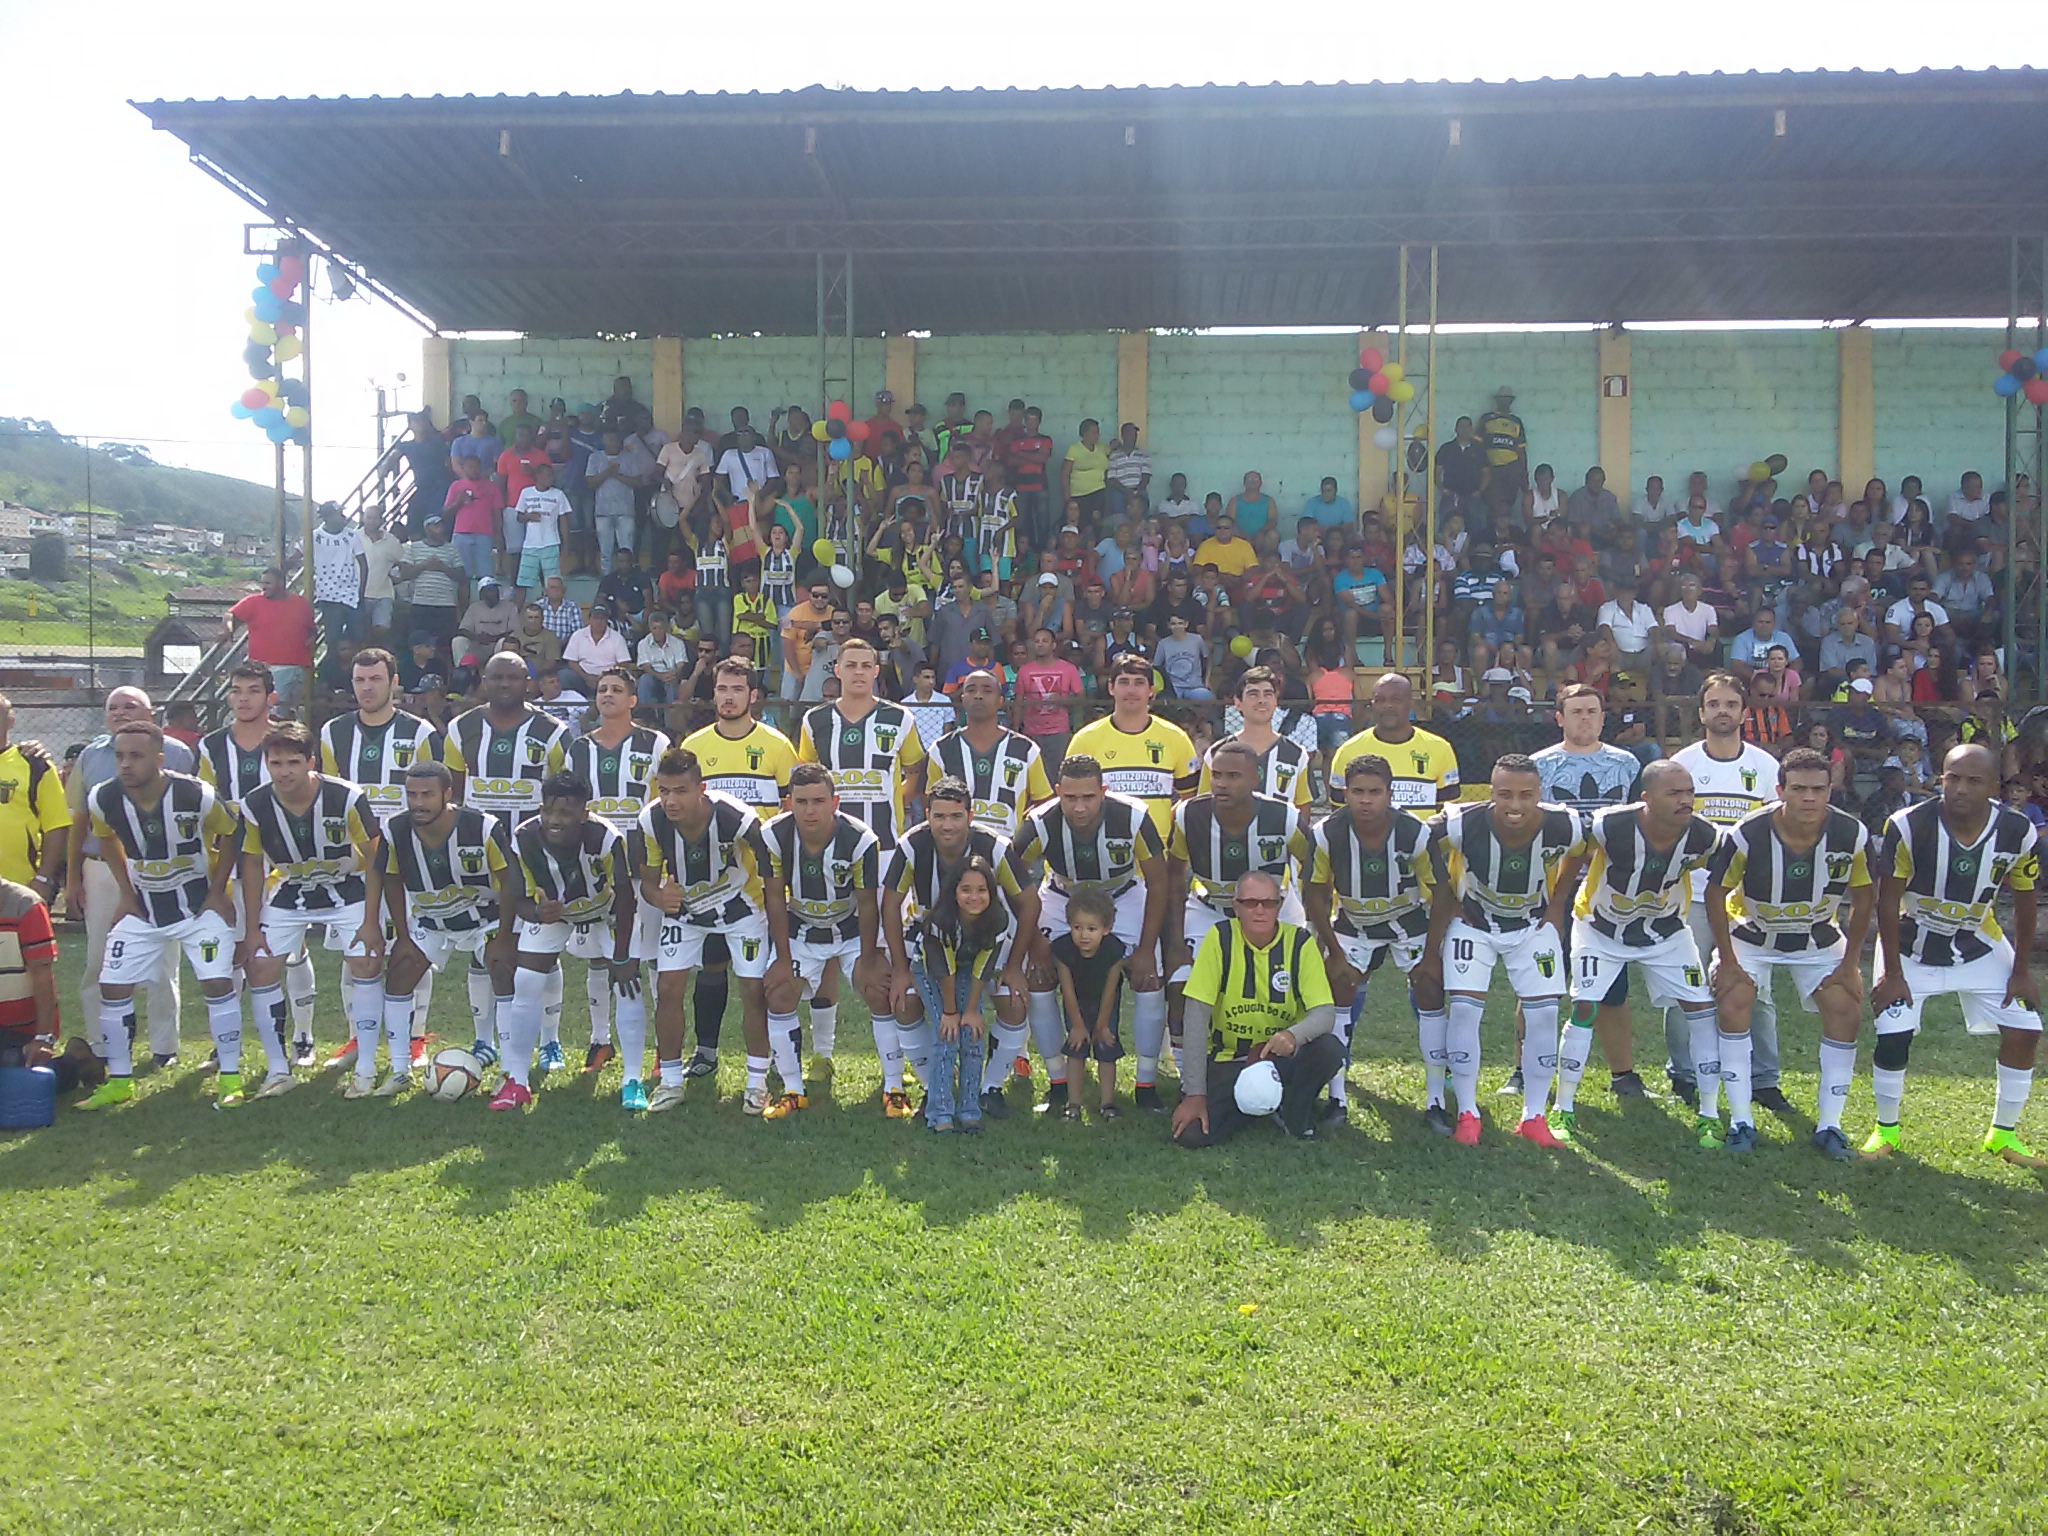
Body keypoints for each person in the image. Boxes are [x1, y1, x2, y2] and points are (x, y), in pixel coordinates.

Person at [1868, 742, 2045, 1166]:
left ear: (1993, 787)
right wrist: (1892, 972)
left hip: (1978, 941)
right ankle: (1885, 1130)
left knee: (2025, 1027)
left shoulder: (2017, 830)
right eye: (1953, 778)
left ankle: (2003, 1136)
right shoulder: (1908, 825)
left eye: (1973, 780)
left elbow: (2024, 899)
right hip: (1913, 943)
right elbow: (1887, 901)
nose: (1960, 788)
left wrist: (2020, 969)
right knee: (1894, 1033)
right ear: (1941, 778)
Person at [1702, 748, 1874, 1160]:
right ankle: (1742, 1121)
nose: (1809, 798)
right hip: (1753, 934)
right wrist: (1726, 959)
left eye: (1818, 789)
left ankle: (1830, 1126)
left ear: (1831, 790)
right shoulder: (1748, 832)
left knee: (1845, 1007)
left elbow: (1866, 899)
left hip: (1817, 938)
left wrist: (1851, 965)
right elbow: (1715, 893)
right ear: (1780, 791)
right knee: (1734, 1000)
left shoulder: (1851, 834)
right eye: (1798, 789)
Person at [75, 722, 247, 1111]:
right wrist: (126, 893)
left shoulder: (195, 793)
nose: (125, 765)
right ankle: (120, 1080)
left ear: (158, 758)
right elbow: (105, 838)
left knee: (218, 983)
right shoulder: (104, 798)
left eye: (136, 756)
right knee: (112, 986)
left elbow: (233, 832)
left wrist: (218, 891)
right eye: (120, 756)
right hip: (146, 909)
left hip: (198, 907)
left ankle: (231, 1078)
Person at [1551, 762, 1725, 1147]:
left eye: (1688, 792)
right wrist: (1556, 907)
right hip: (1600, 928)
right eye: (1673, 793)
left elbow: (1716, 873)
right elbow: (1576, 856)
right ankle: (1562, 1108)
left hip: (1666, 931)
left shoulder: (1704, 836)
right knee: (1584, 1007)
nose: (1685, 800)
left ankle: (1710, 1114)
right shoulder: (1608, 825)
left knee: (1700, 1008)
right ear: (1645, 799)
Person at [1419, 756, 1585, 1145]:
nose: (1515, 805)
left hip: (1533, 925)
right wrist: (1446, 893)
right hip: (1474, 924)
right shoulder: (1462, 822)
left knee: (1544, 1015)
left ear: (1539, 795)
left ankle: (1534, 1116)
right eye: (1505, 794)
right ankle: (1467, 1112)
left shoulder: (1564, 823)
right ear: (1491, 793)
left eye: (1526, 795)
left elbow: (1580, 848)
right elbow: (1420, 841)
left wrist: (1559, 903)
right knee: (1462, 1010)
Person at [1009, 754, 1169, 1118]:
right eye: (1070, 798)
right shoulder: (1039, 823)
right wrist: (1036, 944)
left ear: (1104, 791)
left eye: (1088, 797)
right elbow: (1011, 878)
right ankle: (1058, 1084)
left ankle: (1146, 1085)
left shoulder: (1133, 816)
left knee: (1149, 978)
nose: (1079, 807)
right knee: (1039, 980)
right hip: (1063, 895)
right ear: (1057, 792)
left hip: (1122, 895)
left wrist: (1145, 949)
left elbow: (1158, 882)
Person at [235, 724, 388, 1097]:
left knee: (366, 961)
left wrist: (371, 921)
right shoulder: (254, 804)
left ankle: (366, 1067)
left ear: (311, 763)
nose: (284, 771)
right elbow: (252, 864)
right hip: (292, 890)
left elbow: (376, 859)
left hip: (345, 887)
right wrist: (253, 927)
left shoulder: (347, 797)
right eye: (275, 763)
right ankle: (277, 1069)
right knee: (260, 964)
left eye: (293, 762)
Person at [880, 777, 1038, 1119]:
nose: (947, 825)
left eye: (955, 816)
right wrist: (900, 968)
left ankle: (989, 1088)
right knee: (904, 1002)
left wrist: (1013, 966)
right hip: (931, 938)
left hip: (985, 937)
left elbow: (1029, 903)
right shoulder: (912, 845)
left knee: (1012, 1002)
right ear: (927, 814)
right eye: (939, 816)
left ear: (970, 814)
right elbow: (889, 904)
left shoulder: (994, 847)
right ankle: (932, 1087)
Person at [1668, 675, 1785, 1110]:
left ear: (1744, 712)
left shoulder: (1766, 766)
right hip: (1692, 894)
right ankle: (1683, 1072)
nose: (1722, 711)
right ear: (1700, 713)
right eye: (1713, 703)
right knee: (1687, 986)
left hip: (1748, 900)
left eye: (1731, 704)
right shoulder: (1682, 766)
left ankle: (1764, 1078)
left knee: (1759, 990)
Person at [677, 659, 798, 1080]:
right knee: (711, 969)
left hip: (763, 886)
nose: (728, 697)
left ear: (753, 695)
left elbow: (792, 812)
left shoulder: (778, 746)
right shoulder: (694, 746)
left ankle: (778, 1061)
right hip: (709, 883)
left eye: (736, 689)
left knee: (765, 977)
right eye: (721, 689)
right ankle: (706, 1051)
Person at [636, 746, 774, 1115]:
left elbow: (772, 867)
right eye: (664, 791)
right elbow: (648, 883)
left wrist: (777, 918)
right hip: (686, 910)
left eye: (680, 791)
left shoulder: (736, 817)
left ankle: (757, 1081)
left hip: (741, 907)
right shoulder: (650, 821)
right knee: (667, 988)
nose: (670, 800)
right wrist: (658, 896)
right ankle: (669, 1081)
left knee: (752, 988)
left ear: (702, 787)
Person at [489, 772, 637, 1111]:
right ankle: (517, 1081)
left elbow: (627, 896)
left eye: (566, 813)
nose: (555, 821)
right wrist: (538, 914)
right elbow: (515, 896)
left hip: (606, 911)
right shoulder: (523, 837)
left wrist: (623, 953)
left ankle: (632, 1080)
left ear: (584, 814)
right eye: (549, 812)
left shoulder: (605, 837)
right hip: (557, 913)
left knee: (629, 983)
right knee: (525, 980)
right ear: (541, 808)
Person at [1302, 754, 1438, 1122]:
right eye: (1357, 791)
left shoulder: (1415, 831)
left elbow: (1442, 891)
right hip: (1354, 923)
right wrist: (1333, 950)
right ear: (1344, 793)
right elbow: (1314, 892)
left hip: (1408, 921)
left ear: (1390, 793)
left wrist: (1431, 956)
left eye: (1374, 792)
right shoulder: (1327, 832)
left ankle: (1437, 1099)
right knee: (1338, 992)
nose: (1366, 800)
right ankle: (1336, 1098)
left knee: (1430, 989)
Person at [66, 688, 196, 1067]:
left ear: (151, 713)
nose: (120, 712)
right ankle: (103, 1044)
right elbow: (79, 821)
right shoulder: (90, 756)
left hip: (161, 868)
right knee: (98, 960)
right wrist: (72, 878)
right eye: (113, 708)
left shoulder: (177, 753)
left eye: (130, 706)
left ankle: (164, 1047)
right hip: (102, 869)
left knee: (161, 961)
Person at [1171, 870, 1343, 1146]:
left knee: (1329, 1049)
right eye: (1250, 903)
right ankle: (1256, 1106)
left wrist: (1293, 1036)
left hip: (1281, 1057)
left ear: (1280, 905)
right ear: (1236, 907)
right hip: (1231, 1059)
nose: (1260, 910)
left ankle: (1293, 1110)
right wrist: (1194, 1094)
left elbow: (1325, 1013)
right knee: (1191, 1135)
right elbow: (1196, 1016)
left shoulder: (1299, 943)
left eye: (1268, 903)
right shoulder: (1220, 938)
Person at [758, 764, 891, 1120]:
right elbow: (773, 897)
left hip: (848, 930)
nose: (810, 810)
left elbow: (866, 903)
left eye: (819, 801)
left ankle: (894, 1087)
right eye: (801, 801)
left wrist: (870, 958)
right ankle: (792, 1090)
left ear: (835, 801)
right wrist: (783, 959)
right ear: (788, 803)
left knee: (880, 990)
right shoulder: (772, 835)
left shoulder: (861, 839)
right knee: (780, 992)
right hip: (801, 929)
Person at [564, 669, 672, 1076]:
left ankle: (665, 1045)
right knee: (597, 957)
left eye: (617, 690)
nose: (608, 695)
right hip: (593, 868)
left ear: (632, 700)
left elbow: (667, 803)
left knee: (654, 956)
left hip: (644, 865)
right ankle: (600, 1040)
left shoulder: (655, 743)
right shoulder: (577, 749)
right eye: (602, 689)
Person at [380, 759, 516, 1074]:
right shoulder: (395, 829)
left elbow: (510, 882)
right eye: (411, 795)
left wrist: (506, 938)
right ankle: (399, 1070)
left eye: (427, 795)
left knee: (502, 967)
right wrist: (402, 936)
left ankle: (510, 1069)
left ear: (447, 794)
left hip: (487, 918)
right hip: (433, 921)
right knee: (400, 972)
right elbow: (390, 879)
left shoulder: (482, 826)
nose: (418, 803)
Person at [913, 853, 1024, 1133]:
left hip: (967, 970)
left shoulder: (998, 919)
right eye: (966, 890)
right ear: (954, 892)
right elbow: (943, 969)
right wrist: (950, 1012)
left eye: (981, 890)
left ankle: (969, 1110)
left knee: (972, 1036)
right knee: (947, 1036)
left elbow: (983, 967)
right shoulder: (941, 921)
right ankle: (940, 1113)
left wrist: (972, 1010)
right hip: (932, 970)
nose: (974, 897)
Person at [795, 638, 928, 848]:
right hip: (830, 841)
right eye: (851, 666)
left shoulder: (900, 717)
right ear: (838, 670)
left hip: (885, 841)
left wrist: (892, 799)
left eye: (866, 666)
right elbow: (807, 775)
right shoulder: (814, 719)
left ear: (875, 671)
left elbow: (916, 773)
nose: (858, 672)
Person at [443, 654, 572, 842]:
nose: (504, 684)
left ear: (528, 683)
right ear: (485, 681)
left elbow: (565, 791)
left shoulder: (553, 731)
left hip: (532, 844)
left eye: (513, 678)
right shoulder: (461, 728)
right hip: (475, 842)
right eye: (497, 678)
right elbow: (454, 791)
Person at [928, 669, 1051, 841]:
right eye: (971, 690)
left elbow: (1043, 804)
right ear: (963, 699)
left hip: (1007, 854)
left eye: (987, 690)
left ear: (1000, 701)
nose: (978, 696)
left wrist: (1021, 839)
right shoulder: (941, 749)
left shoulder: (1025, 749)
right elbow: (931, 802)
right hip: (954, 855)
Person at [1048, 886, 1128, 1122]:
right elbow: (1067, 990)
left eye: (1092, 929)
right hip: (1077, 1004)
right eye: (1077, 927)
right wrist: (1077, 1025)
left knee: (1106, 1050)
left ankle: (1107, 1103)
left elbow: (1111, 989)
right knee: (1076, 1050)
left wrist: (1102, 1025)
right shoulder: (1063, 949)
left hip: (1105, 1003)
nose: (1084, 935)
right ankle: (1073, 1104)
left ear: (1106, 929)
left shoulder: (1114, 949)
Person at [1329, 673, 1460, 810]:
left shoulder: (1440, 749)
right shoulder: (1349, 751)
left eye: (1396, 700)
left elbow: (1448, 813)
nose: (1388, 706)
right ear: (1372, 704)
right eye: (1380, 700)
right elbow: (1338, 813)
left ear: (1411, 703)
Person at [1200, 666, 1313, 810]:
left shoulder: (1296, 754)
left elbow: (1303, 810)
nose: (1262, 700)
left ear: (1275, 701)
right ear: (1238, 703)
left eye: (1268, 694)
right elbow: (1203, 806)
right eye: (1253, 694)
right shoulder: (1216, 753)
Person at [0, 694, 65, 897]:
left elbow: (56, 826)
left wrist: (43, 878)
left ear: (10, 720)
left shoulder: (36, 765)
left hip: (19, 886)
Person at [221, 569, 316, 706]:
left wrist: (311, 640)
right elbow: (230, 615)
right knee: (274, 710)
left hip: (298, 667)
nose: (264, 586)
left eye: (268, 583)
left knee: (296, 712)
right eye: (263, 583)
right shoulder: (253, 601)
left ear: (281, 583)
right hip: (268, 668)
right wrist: (228, 629)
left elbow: (312, 629)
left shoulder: (300, 602)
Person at [309, 501, 365, 680]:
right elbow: (298, 555)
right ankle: (331, 677)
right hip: (328, 596)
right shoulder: (315, 536)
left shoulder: (351, 535)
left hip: (351, 595)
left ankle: (359, 673)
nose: (342, 517)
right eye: (337, 514)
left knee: (359, 636)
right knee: (332, 640)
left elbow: (363, 564)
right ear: (326, 517)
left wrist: (360, 591)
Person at [513, 460, 569, 596]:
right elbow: (519, 517)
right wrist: (529, 516)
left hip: (551, 543)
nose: (551, 478)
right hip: (530, 544)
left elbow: (563, 522)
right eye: (548, 475)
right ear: (538, 476)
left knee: (552, 582)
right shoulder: (526, 493)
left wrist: (565, 545)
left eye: (552, 475)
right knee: (523, 583)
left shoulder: (558, 494)